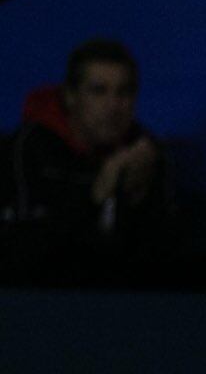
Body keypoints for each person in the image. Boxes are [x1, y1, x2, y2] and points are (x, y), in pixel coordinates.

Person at [4, 40, 176, 289]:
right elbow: (19, 255)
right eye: (98, 91)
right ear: (71, 97)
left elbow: (164, 267)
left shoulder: (145, 154)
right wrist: (95, 197)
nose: (113, 106)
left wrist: (137, 201)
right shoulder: (28, 149)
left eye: (124, 92)